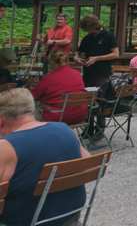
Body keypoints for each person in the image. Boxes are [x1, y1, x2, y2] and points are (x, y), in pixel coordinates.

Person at [0, 88, 89, 226]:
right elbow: (88, 164)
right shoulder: (64, 129)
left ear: (1, 120)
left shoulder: (7, 147)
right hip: (70, 216)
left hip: (25, 220)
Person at [32, 51, 88, 124]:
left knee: (30, 111)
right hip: (79, 116)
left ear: (52, 63)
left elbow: (33, 96)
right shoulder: (77, 74)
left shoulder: (49, 78)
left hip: (58, 117)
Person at [75, 15, 118, 88]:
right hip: (88, 73)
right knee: (87, 93)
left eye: (87, 29)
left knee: (100, 93)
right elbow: (79, 53)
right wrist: (77, 58)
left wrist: (96, 58)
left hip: (102, 73)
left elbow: (115, 54)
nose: (86, 31)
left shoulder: (108, 36)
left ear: (93, 27)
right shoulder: (87, 38)